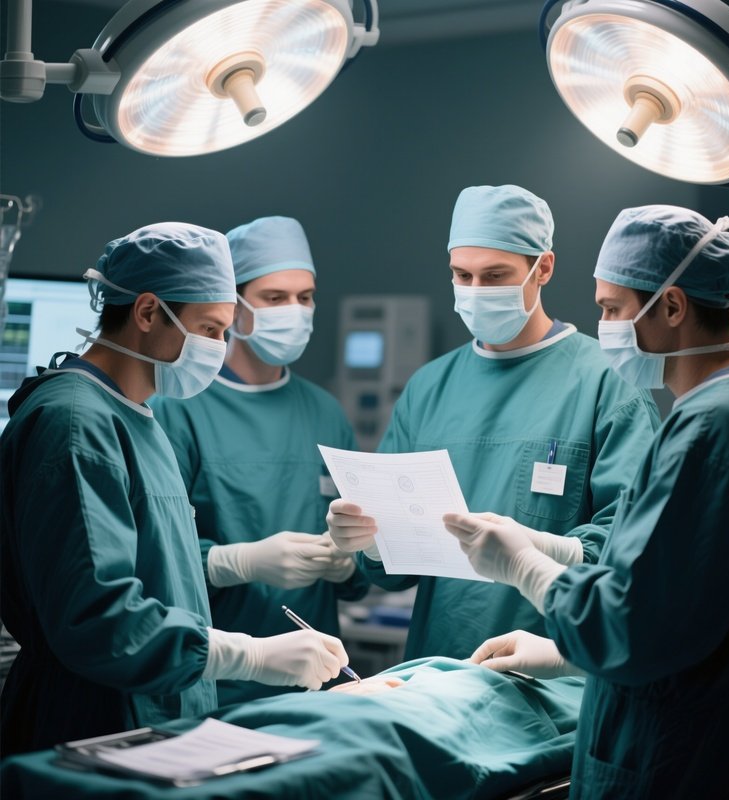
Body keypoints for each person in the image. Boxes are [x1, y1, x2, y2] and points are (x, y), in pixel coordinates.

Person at [445, 205, 729, 798]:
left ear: (672, 307)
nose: (604, 325)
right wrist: (568, 653)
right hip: (722, 742)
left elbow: (632, 625)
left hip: (683, 760)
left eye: (612, 309)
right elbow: (692, 616)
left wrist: (522, 565)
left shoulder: (713, 428)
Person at [0, 223, 349, 755]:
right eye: (208, 329)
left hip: (156, 708)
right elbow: (95, 617)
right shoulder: (74, 423)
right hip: (90, 718)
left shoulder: (136, 416)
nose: (218, 349)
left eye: (225, 332)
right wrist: (249, 656)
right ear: (146, 312)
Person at [327, 185, 661, 660]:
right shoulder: (429, 388)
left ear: (543, 268)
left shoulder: (608, 383)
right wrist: (372, 542)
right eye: (462, 275)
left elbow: (631, 544)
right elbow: (394, 571)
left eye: (496, 275)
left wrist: (541, 549)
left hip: (550, 674)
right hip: (436, 670)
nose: (476, 291)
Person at [152, 216, 368, 705]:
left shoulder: (325, 413)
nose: (295, 311)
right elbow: (152, 557)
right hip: (213, 679)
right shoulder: (178, 408)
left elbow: (361, 561)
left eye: (305, 297)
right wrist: (236, 562)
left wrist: (348, 563)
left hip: (319, 682)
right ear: (233, 306)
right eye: (274, 297)